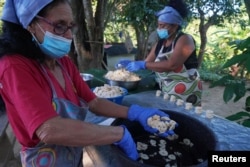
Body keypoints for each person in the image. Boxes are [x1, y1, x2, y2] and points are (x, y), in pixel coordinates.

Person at [0, 0, 177, 166]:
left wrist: (135, 112)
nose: (68, 35)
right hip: (43, 159)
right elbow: (49, 129)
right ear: (30, 25)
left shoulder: (62, 61)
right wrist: (118, 134)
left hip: (74, 151)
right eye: (59, 26)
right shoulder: (15, 67)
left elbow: (94, 101)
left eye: (70, 26)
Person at [117, 0, 202, 106]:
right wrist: (130, 64)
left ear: (175, 26)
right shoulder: (160, 43)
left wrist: (143, 65)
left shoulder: (185, 39)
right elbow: (147, 62)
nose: (159, 29)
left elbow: (172, 64)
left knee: (186, 117)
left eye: (163, 26)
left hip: (187, 91)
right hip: (168, 89)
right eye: (158, 25)